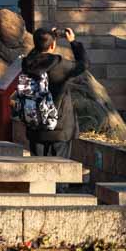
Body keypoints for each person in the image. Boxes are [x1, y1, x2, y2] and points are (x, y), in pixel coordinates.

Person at [19, 27, 87, 157]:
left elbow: (37, 52)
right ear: (53, 45)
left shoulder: (27, 63)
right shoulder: (59, 64)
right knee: (61, 170)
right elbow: (84, 64)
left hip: (35, 126)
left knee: (38, 170)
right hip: (59, 128)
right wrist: (73, 42)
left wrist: (44, 40)